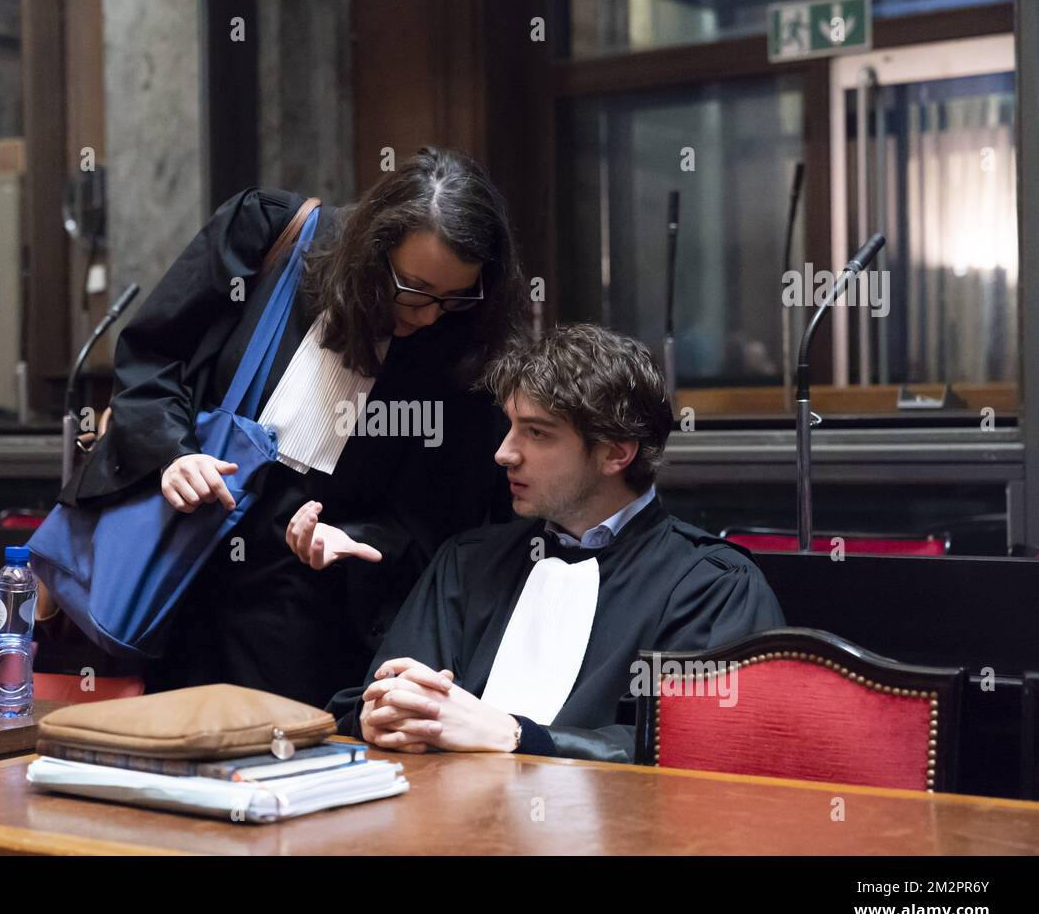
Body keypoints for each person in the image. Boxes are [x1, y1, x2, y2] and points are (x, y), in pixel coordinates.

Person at [57, 147, 531, 707]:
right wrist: (173, 454)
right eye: (413, 288)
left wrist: (355, 540)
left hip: (307, 602)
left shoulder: (458, 344)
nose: (428, 314)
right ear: (372, 248)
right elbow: (151, 356)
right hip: (179, 554)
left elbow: (434, 509)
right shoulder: (267, 230)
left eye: (453, 297)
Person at [327, 324, 786, 762]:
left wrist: (516, 735)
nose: (504, 453)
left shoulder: (712, 587)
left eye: (537, 433)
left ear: (615, 452)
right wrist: (379, 715)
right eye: (509, 426)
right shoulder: (467, 562)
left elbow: (703, 748)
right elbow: (378, 694)